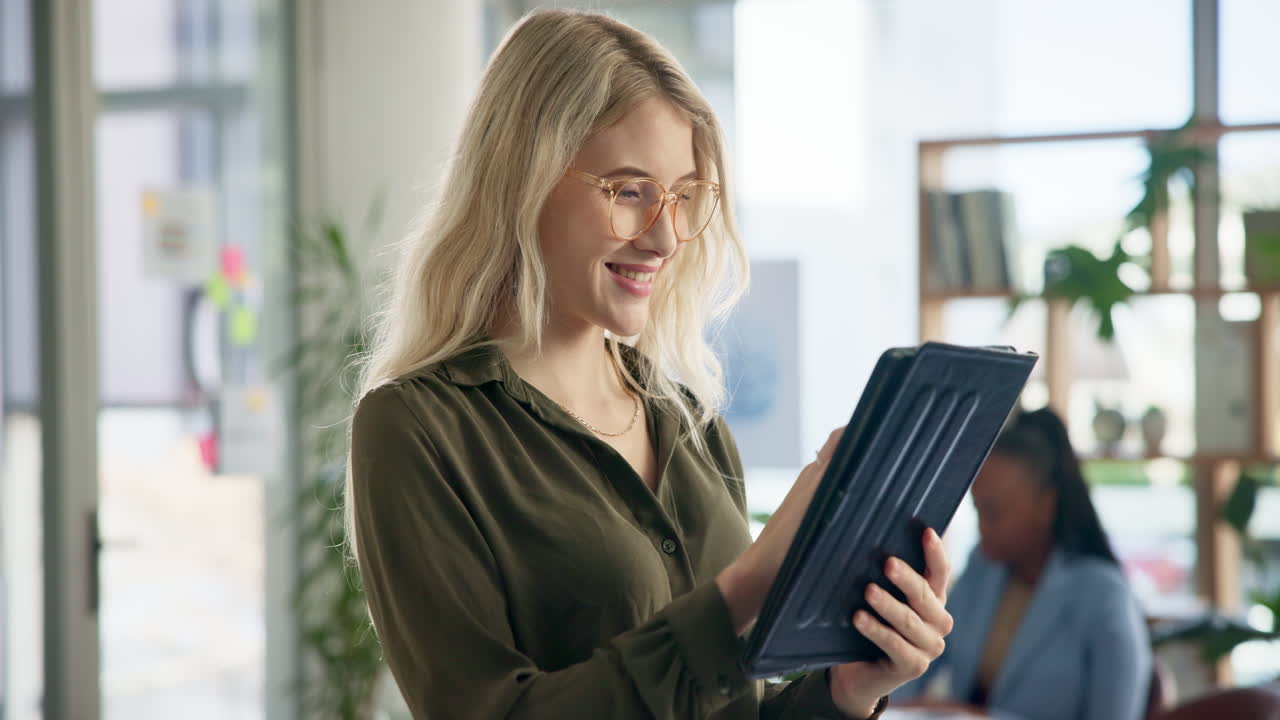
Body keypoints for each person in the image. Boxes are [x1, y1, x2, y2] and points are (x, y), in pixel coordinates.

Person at [346, 9, 954, 720]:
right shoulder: (417, 429)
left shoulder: (689, 423)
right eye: (630, 191)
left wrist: (848, 692)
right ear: (524, 178)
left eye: (684, 197)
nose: (666, 236)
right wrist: (744, 589)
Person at [892, 408, 1152, 720]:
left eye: (995, 513)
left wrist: (966, 715)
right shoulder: (982, 569)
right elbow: (914, 674)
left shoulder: (1105, 596)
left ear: (1046, 505)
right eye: (978, 511)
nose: (983, 528)